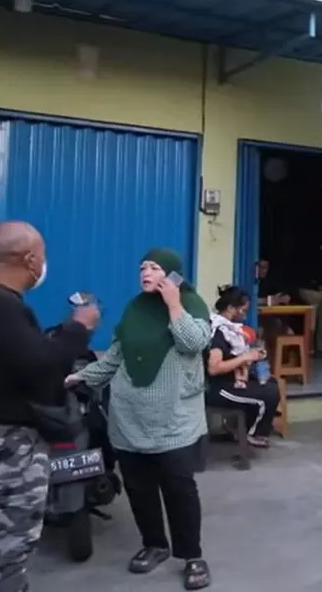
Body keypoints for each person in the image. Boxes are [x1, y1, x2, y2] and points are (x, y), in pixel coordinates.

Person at [0, 221, 99, 592]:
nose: (44, 263)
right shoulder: (0, 306)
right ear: (30, 259)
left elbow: (17, 360)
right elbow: (41, 370)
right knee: (11, 554)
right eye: (42, 255)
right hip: (4, 446)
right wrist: (79, 329)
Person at [66, 248, 214, 590]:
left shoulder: (192, 306)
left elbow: (194, 343)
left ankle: (192, 556)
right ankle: (154, 545)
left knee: (180, 488)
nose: (145, 272)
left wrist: (174, 303)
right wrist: (78, 378)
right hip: (129, 419)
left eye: (155, 267)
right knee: (139, 489)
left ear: (174, 274)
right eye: (142, 267)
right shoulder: (134, 310)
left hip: (174, 420)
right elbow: (114, 358)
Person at [206, 285, 280, 447]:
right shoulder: (218, 332)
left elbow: (234, 357)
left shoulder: (231, 330)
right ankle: (253, 434)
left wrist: (252, 357)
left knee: (270, 383)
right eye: (243, 310)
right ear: (231, 308)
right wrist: (245, 357)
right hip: (219, 388)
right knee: (267, 395)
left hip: (232, 380)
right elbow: (214, 368)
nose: (244, 315)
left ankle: (242, 429)